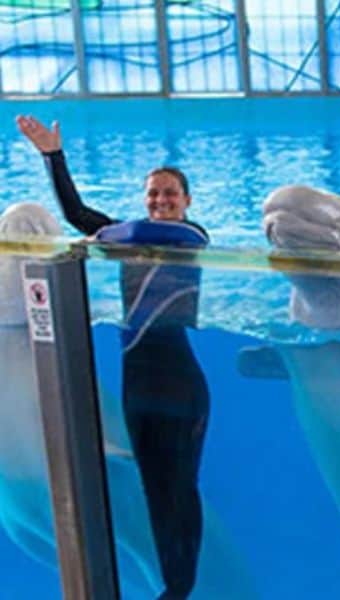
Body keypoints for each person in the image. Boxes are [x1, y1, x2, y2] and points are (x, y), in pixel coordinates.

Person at [17, 115, 210, 600]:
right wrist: (52, 155)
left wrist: (103, 238)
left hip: (179, 384)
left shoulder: (191, 236)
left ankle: (182, 587)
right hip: (137, 383)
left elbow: (157, 236)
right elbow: (76, 211)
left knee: (180, 486)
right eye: (153, 194)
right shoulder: (124, 234)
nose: (161, 201)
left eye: (170, 194)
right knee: (152, 488)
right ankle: (171, 585)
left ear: (187, 201)